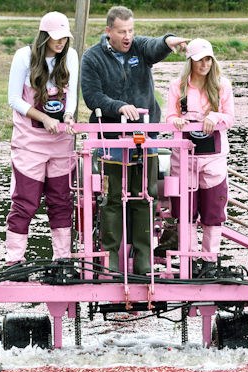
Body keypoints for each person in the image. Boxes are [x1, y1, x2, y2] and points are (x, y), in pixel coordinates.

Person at [80, 6, 189, 276]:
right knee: (112, 200)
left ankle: (143, 262)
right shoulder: (92, 58)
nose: (127, 36)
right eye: (121, 31)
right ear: (109, 31)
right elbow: (92, 97)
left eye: (130, 30)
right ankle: (110, 262)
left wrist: (168, 40)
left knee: (146, 198)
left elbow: (155, 46)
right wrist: (118, 106)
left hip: (145, 140)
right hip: (110, 141)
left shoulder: (139, 48)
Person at [5, 11, 79, 264]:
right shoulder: (23, 56)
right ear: (44, 35)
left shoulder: (70, 56)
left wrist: (68, 116)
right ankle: (15, 260)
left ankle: (63, 259)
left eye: (64, 38)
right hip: (29, 141)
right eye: (56, 38)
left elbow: (73, 98)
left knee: (61, 201)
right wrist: (44, 117)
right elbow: (14, 99)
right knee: (25, 201)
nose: (60, 43)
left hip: (61, 142)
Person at [165, 38, 235, 278]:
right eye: (199, 60)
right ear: (190, 62)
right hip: (184, 159)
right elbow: (169, 117)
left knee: (213, 211)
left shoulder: (222, 85)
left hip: (213, 158)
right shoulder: (178, 86)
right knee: (186, 211)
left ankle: (209, 260)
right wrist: (175, 120)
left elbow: (230, 117)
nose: (204, 64)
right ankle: (189, 258)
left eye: (208, 59)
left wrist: (214, 117)